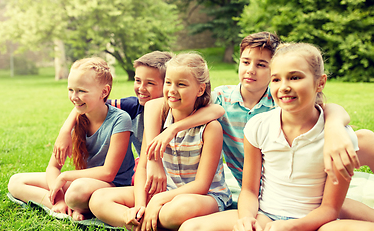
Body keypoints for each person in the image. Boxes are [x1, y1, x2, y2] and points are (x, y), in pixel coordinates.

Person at [180, 43, 359, 231]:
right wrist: (247, 218)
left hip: (315, 222)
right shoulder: (258, 126)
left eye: (295, 77)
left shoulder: (340, 139)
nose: (284, 87)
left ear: (320, 82)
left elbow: (330, 208)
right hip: (265, 215)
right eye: (276, 80)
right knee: (191, 227)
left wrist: (293, 226)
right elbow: (249, 191)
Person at [89, 53, 232, 231]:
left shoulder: (210, 128)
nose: (172, 90)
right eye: (168, 82)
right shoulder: (159, 117)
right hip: (165, 193)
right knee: (98, 199)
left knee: (181, 208)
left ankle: (148, 222)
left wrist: (158, 200)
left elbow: (201, 186)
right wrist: (140, 205)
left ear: (200, 89)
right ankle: (139, 220)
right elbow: (142, 168)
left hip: (203, 197)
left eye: (181, 84)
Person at [7, 57, 135, 221]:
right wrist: (59, 196)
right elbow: (53, 168)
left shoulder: (120, 120)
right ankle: (62, 206)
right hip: (81, 183)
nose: (74, 97)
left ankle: (74, 205)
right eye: (71, 90)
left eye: (82, 91)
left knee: (76, 190)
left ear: (104, 92)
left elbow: (108, 173)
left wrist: (65, 176)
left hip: (111, 186)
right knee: (16, 181)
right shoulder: (76, 120)